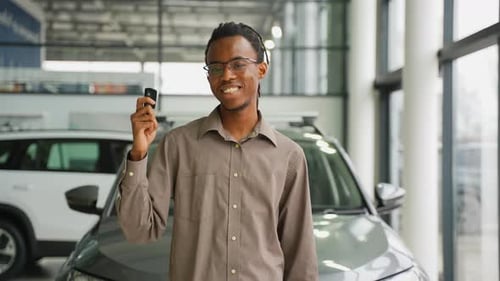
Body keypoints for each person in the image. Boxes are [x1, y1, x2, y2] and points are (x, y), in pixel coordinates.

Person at [117, 22, 319, 281]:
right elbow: (139, 231)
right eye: (216, 67)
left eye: (237, 64)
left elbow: (299, 255)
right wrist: (138, 154)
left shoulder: (289, 156)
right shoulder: (178, 145)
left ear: (262, 69)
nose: (226, 76)